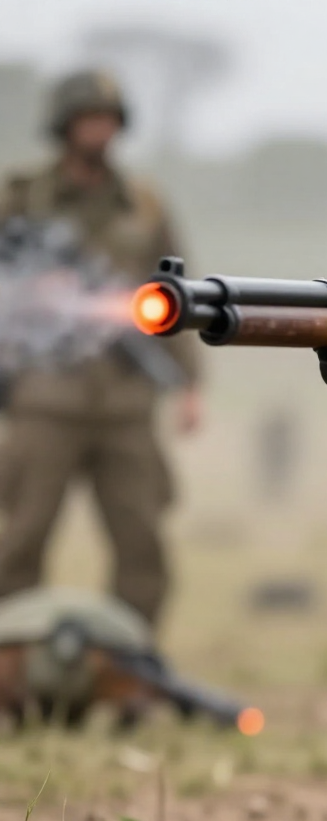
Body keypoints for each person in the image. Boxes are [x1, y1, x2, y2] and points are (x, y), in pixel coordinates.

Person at [0, 70, 200, 624]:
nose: (100, 131)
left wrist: (190, 385)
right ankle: (12, 670)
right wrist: (26, 290)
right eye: (90, 120)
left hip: (126, 402)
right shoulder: (19, 199)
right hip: (44, 399)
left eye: (109, 121)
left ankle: (128, 671)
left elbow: (180, 295)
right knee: (21, 538)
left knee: (141, 544)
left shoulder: (143, 204)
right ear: (64, 126)